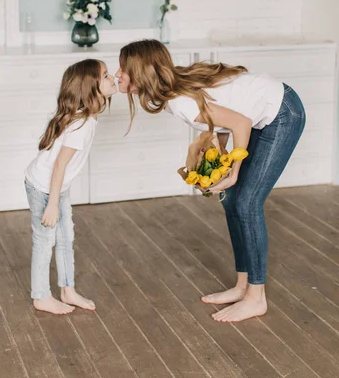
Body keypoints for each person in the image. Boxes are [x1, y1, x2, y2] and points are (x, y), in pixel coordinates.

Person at [116, 39, 305, 323]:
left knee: (246, 203)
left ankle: (256, 298)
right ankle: (243, 285)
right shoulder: (171, 94)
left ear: (141, 73)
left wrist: (234, 172)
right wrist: (217, 163)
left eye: (123, 70)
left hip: (282, 112)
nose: (117, 74)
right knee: (232, 201)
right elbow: (224, 119)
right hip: (263, 114)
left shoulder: (180, 103)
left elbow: (241, 122)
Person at [24, 58, 117, 315]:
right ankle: (41, 296)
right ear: (90, 88)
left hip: (55, 185)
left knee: (66, 237)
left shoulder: (86, 116)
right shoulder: (82, 124)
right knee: (45, 240)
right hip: (43, 186)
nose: (113, 79)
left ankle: (68, 289)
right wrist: (52, 204)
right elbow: (58, 167)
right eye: (106, 76)